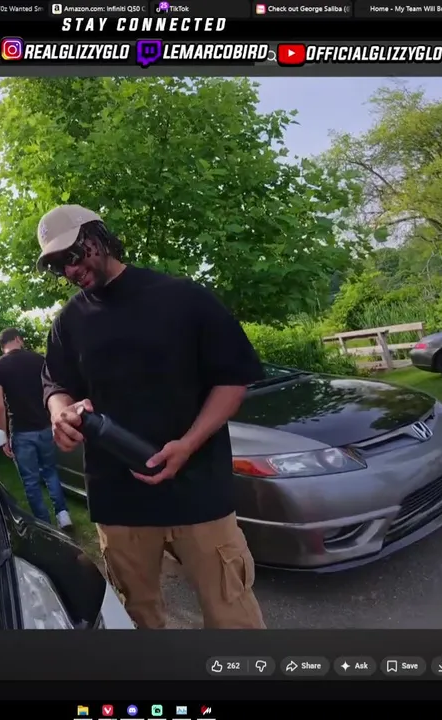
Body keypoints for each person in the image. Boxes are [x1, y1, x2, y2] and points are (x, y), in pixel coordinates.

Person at [35, 204, 266, 630]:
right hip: (119, 502)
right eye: (57, 265)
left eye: (73, 255)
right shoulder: (68, 322)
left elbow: (233, 381)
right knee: (137, 619)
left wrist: (188, 444)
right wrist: (60, 412)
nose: (69, 271)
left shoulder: (184, 297)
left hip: (199, 491)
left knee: (233, 617)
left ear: (98, 238)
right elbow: (56, 385)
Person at [0, 328, 73, 529]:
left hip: (21, 431)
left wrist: (2, 436)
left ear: (2, 346)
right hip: (45, 427)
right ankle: (63, 515)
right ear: (18, 339)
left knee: (31, 481)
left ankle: (45, 525)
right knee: (51, 471)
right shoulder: (39, 360)